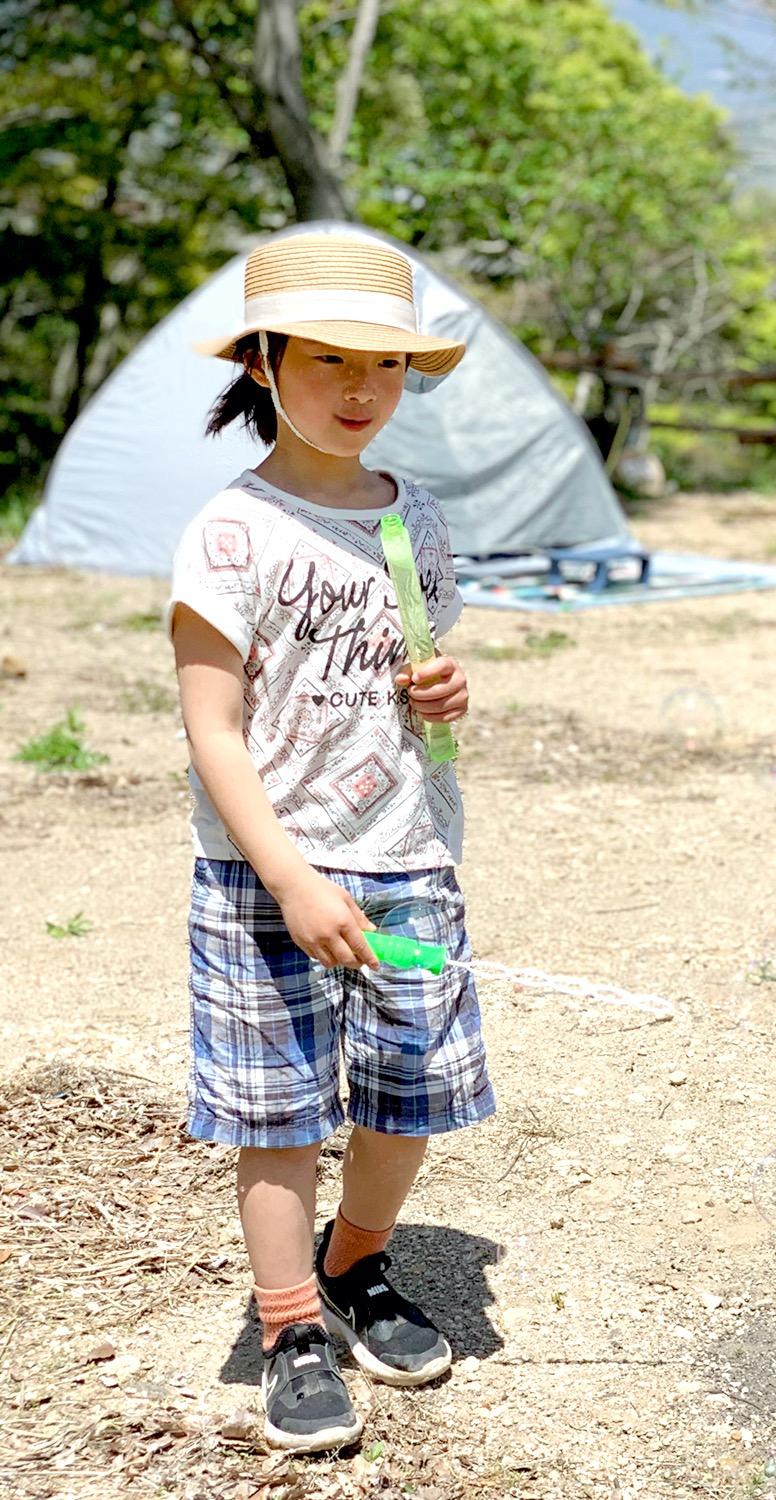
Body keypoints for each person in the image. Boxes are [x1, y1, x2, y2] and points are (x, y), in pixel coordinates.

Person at [170, 235, 488, 1452]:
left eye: (385, 367)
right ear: (261, 363)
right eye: (325, 361)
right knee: (279, 1114)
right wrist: (290, 874)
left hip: (408, 860)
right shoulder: (231, 532)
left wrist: (445, 690)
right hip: (267, 879)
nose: (359, 389)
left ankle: (354, 1260)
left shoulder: (416, 519)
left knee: (411, 1093)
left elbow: (409, 664)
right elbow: (213, 728)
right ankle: (292, 1321)